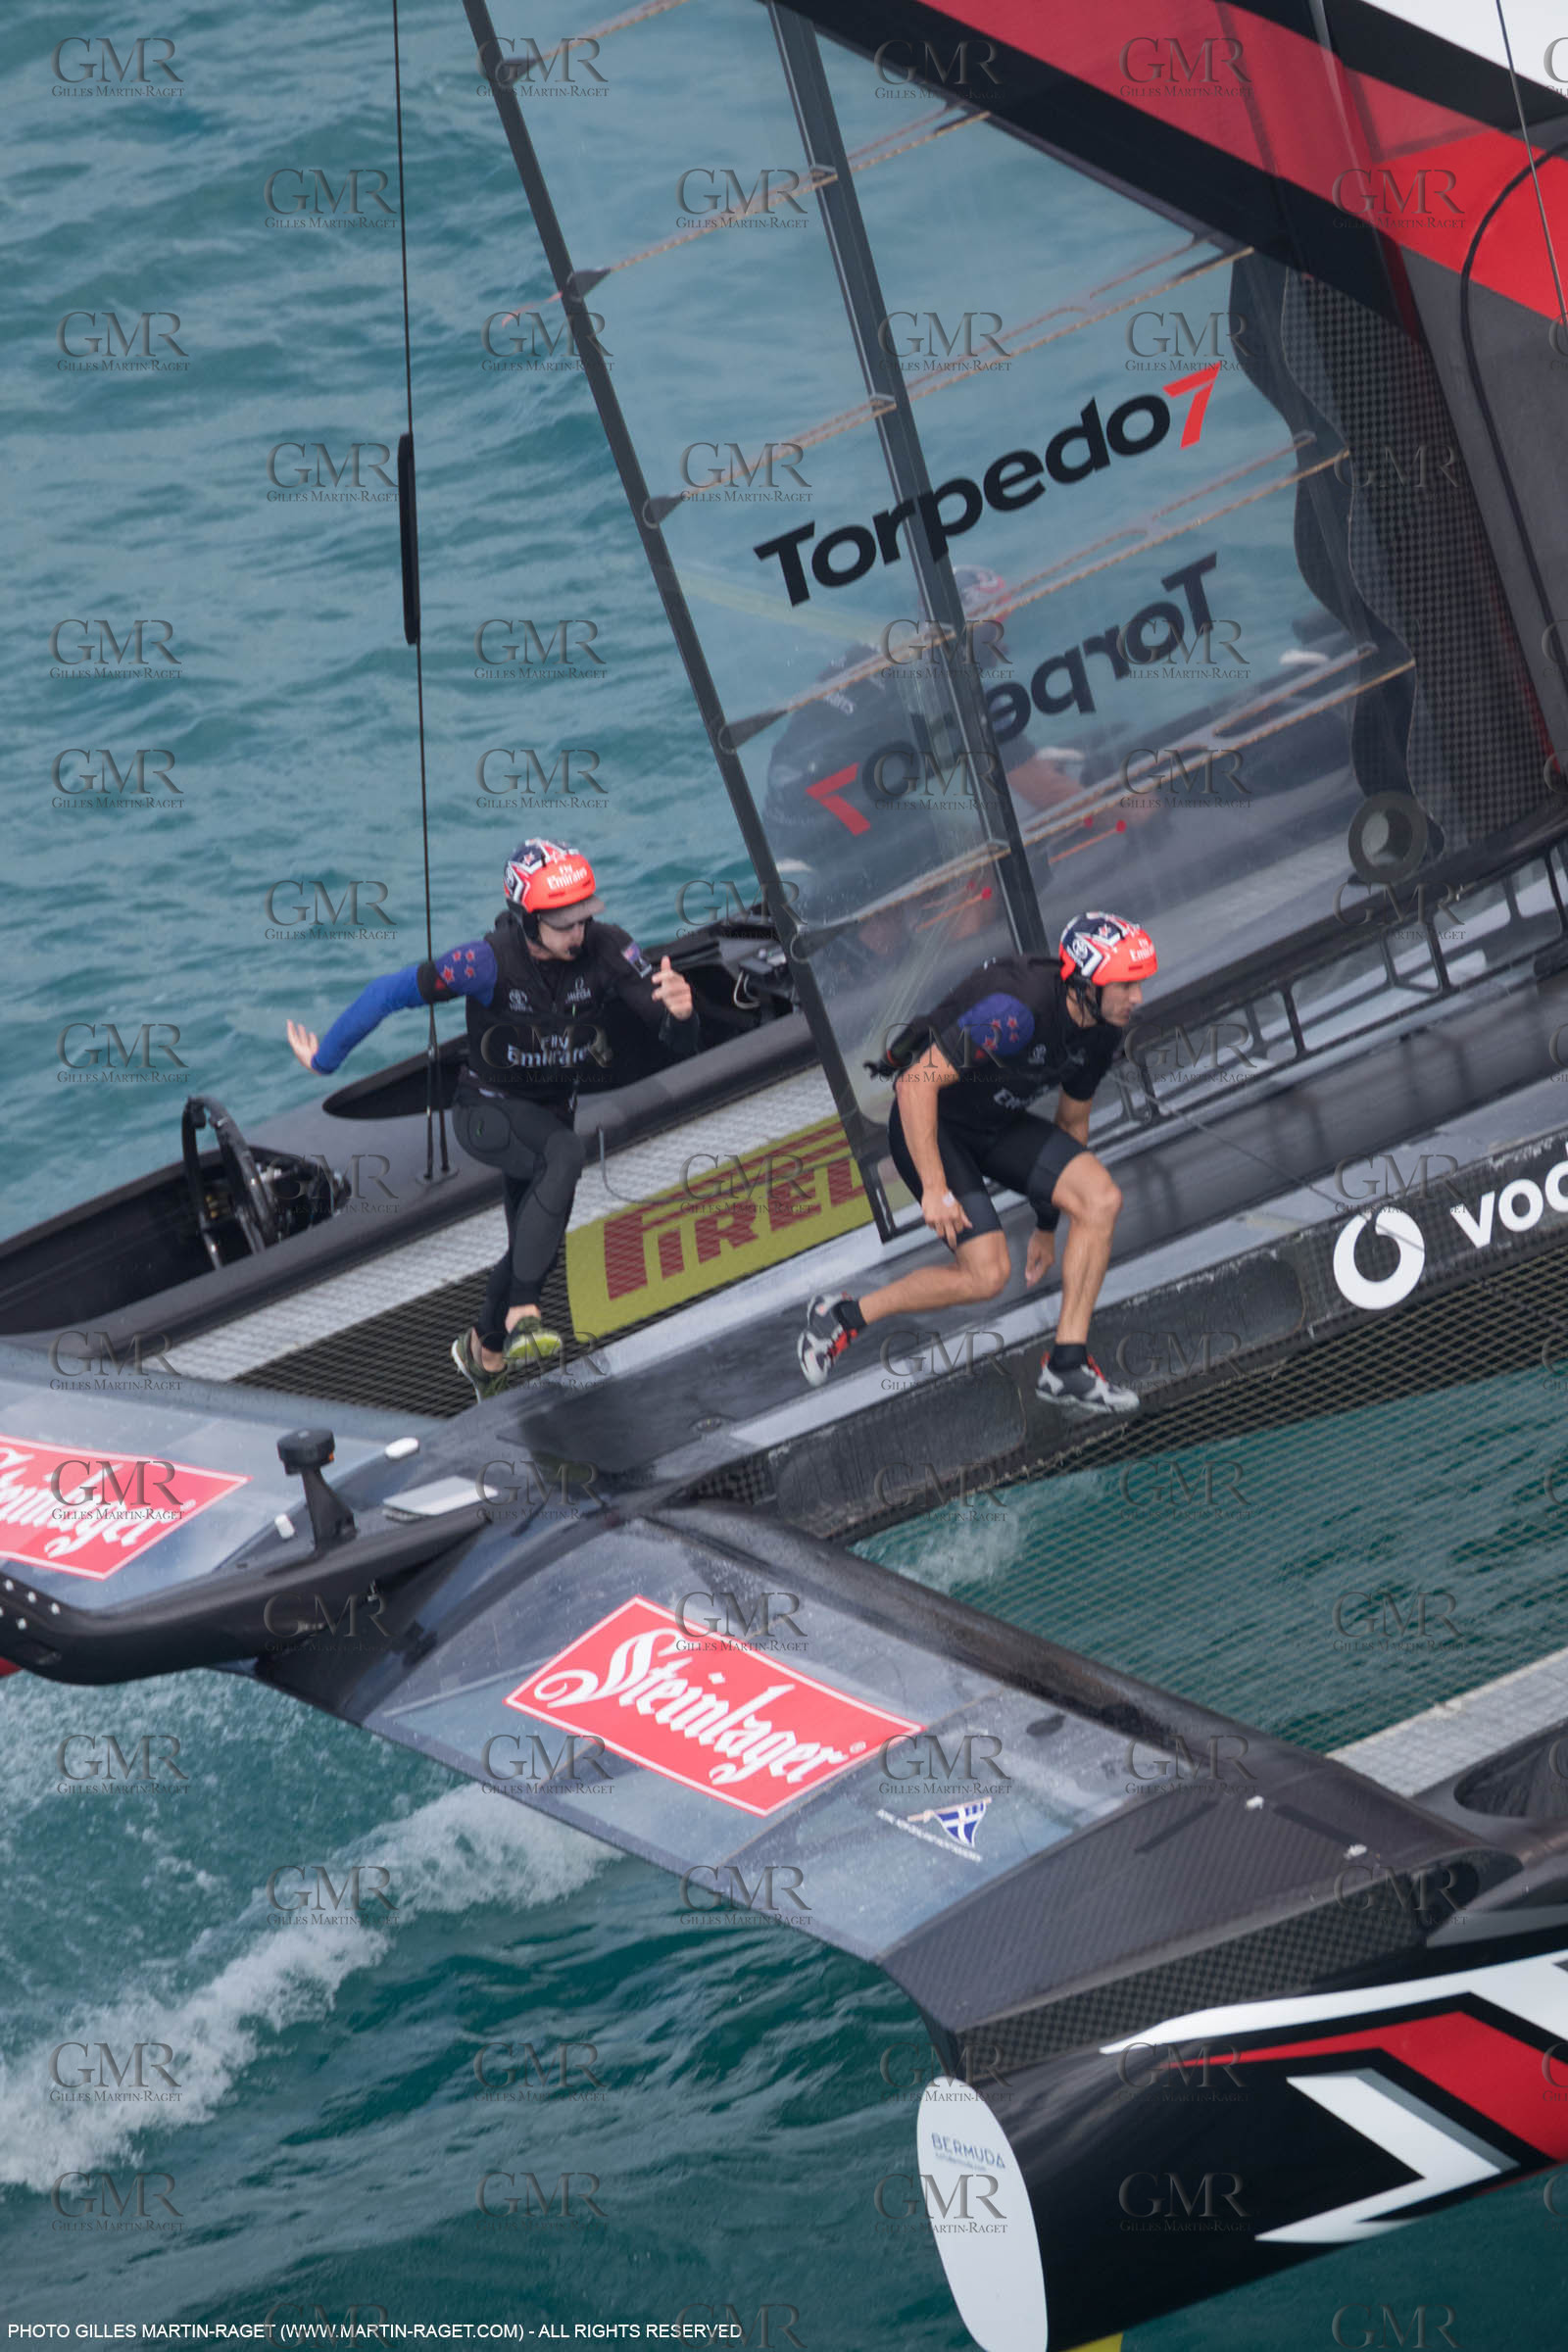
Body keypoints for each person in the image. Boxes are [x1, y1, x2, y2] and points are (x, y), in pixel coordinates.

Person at [287, 839, 698, 1401]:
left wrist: (681, 1012)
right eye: (562, 922)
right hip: (485, 1112)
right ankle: (523, 1313)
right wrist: (325, 1058)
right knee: (566, 1156)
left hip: (550, 1114)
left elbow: (674, 1036)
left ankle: (483, 1350)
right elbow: (389, 993)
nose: (577, 932)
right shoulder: (486, 960)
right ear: (528, 920)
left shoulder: (609, 948)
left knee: (539, 1239)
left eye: (584, 916)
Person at [796, 909, 1154, 1411]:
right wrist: (935, 1190)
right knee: (985, 1276)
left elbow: (1072, 1126)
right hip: (932, 1124)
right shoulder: (1016, 1010)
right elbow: (915, 1084)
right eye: (1126, 984)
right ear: (1086, 982)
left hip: (996, 1121)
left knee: (1100, 1199)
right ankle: (845, 1316)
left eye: (1140, 983)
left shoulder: (1103, 1029)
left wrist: (1048, 1225)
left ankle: (1067, 1365)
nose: (1137, 997)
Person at [761, 564, 1083, 941]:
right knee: (981, 857)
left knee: (893, 858)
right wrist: (1144, 812)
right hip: (834, 817)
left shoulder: (887, 650)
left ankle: (877, 948)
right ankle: (957, 959)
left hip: (785, 815)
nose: (1005, 644)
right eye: (997, 628)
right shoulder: (952, 686)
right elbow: (1047, 793)